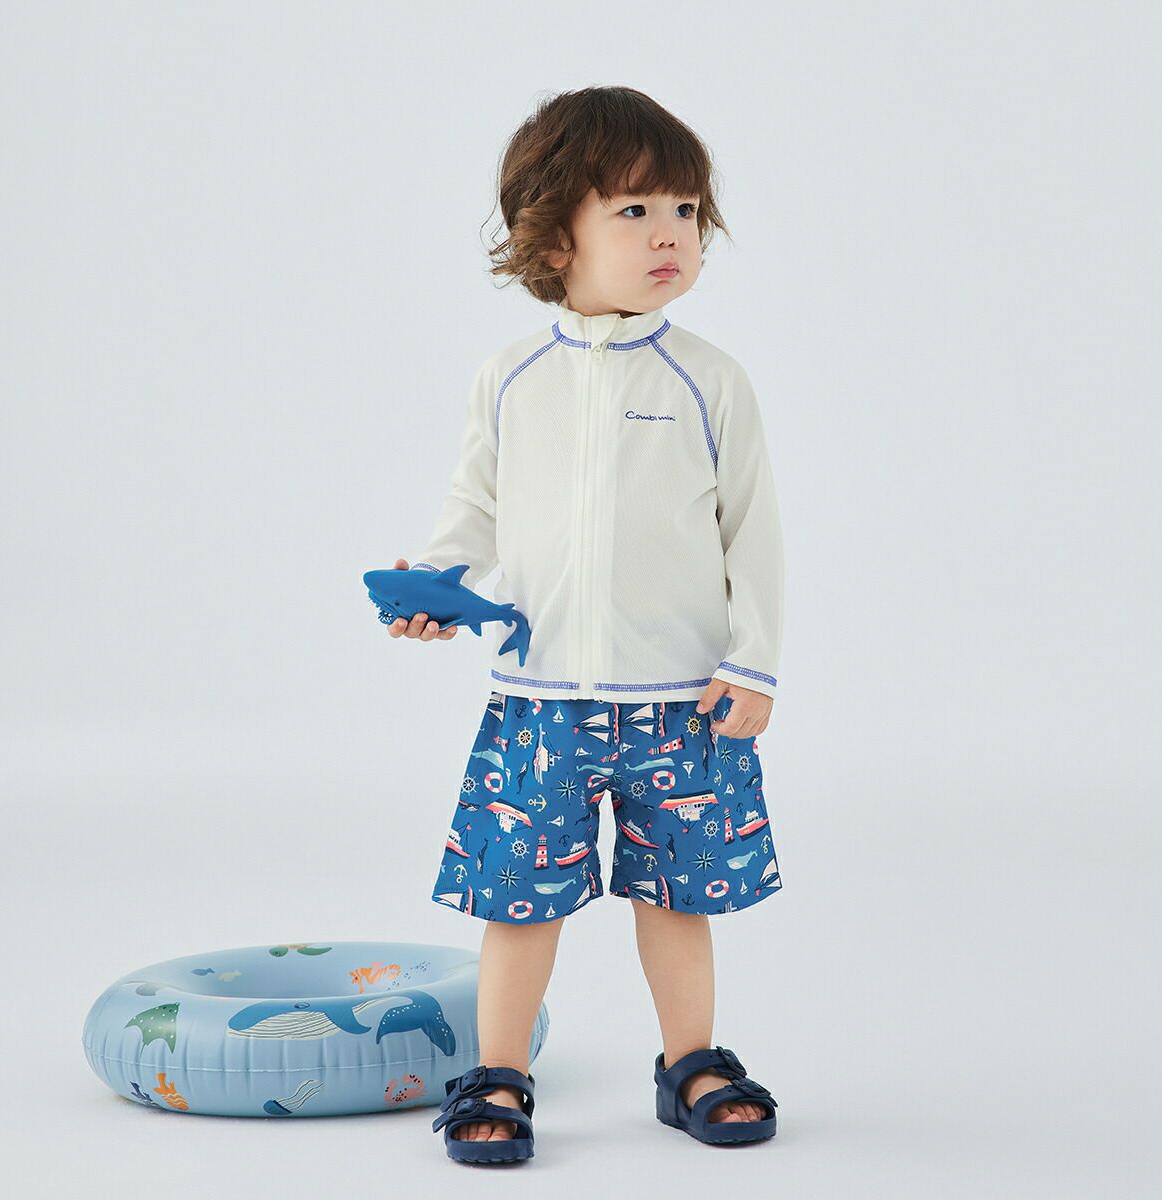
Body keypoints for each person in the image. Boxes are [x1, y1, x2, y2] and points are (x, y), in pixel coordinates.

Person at [393, 86, 785, 1162]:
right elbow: (474, 507)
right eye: (634, 211)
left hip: (684, 701)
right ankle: (500, 1072)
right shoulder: (511, 377)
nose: (670, 235)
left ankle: (692, 1062)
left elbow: (752, 532)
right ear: (552, 233)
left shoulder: (711, 381)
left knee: (680, 897)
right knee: (520, 904)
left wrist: (755, 664)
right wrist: (435, 584)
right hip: (540, 702)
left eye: (685, 212)